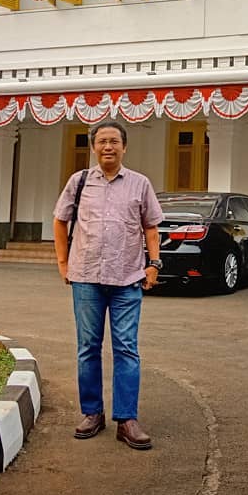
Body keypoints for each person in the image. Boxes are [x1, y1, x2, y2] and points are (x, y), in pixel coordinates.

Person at [53, 120, 164, 450]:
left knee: (126, 348)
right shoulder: (80, 181)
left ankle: (127, 419)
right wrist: (62, 263)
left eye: (114, 141)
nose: (108, 147)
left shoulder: (140, 184)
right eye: (102, 141)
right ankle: (92, 412)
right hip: (85, 278)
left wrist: (153, 264)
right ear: (93, 146)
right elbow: (60, 221)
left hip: (127, 278)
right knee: (88, 348)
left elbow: (151, 228)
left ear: (124, 147)